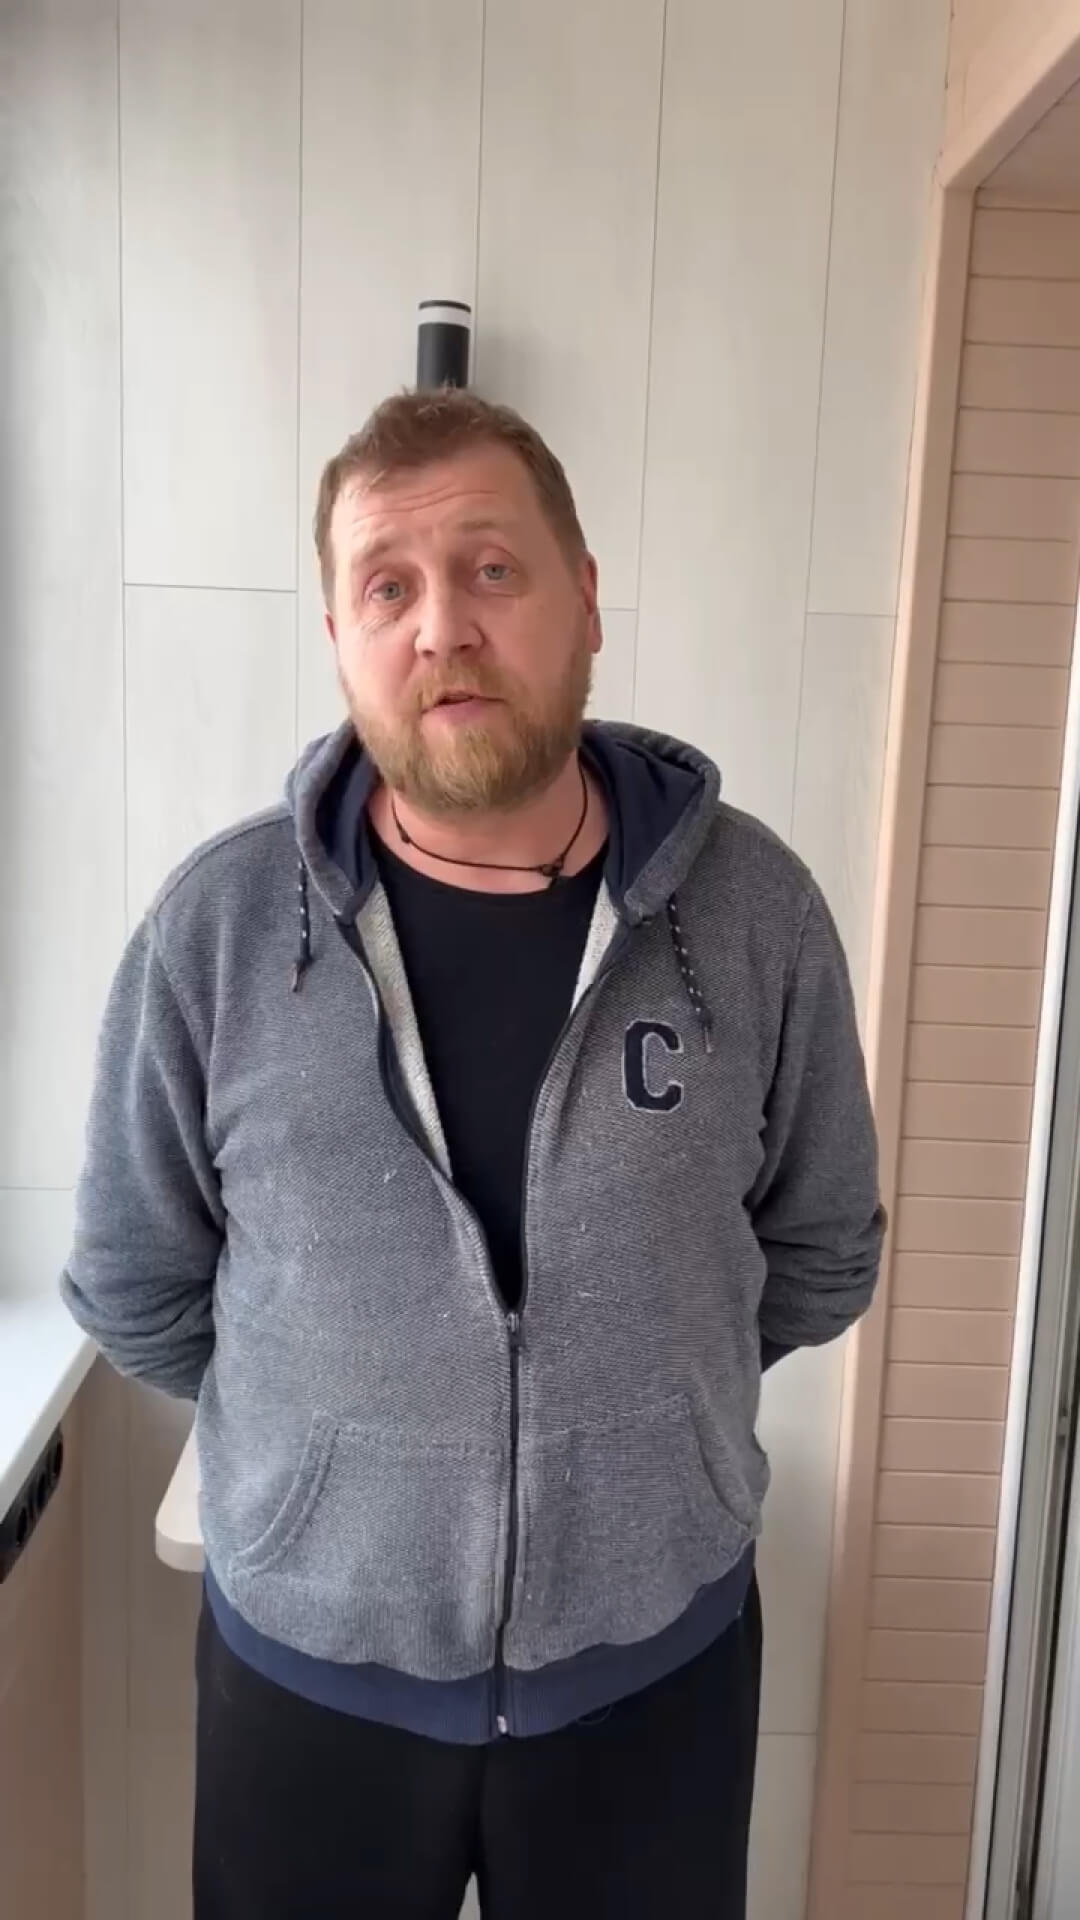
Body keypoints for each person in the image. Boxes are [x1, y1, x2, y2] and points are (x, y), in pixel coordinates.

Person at [61, 386, 886, 1919]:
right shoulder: (217, 935)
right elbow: (134, 1286)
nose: (443, 623)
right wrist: (335, 1453)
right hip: (309, 1690)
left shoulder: (755, 915)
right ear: (340, 637)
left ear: (586, 600)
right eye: (388, 586)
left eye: (492, 569)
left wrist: (647, 1410)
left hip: (654, 1684)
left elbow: (824, 1250)